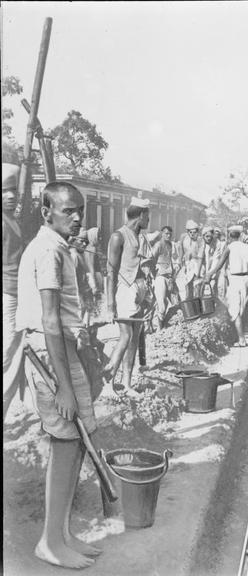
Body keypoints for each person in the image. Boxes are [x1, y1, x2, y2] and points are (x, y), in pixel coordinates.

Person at [16, 181, 101, 569]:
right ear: (47, 212)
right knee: (66, 441)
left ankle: (63, 534)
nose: (78, 216)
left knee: (78, 440)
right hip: (51, 355)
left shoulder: (61, 247)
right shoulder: (47, 249)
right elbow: (49, 321)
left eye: (79, 209)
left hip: (65, 349)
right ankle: (49, 542)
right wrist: (65, 387)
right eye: (69, 210)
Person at [105, 197, 153, 391]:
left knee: (134, 339)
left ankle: (127, 384)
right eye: (147, 216)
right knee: (125, 337)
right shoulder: (119, 236)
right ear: (141, 215)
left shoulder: (139, 237)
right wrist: (110, 306)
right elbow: (110, 272)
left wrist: (148, 295)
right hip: (124, 291)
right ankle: (108, 384)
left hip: (138, 290)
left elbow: (137, 267)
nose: (149, 221)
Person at [205, 225, 248, 347]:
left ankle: (241, 339)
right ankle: (239, 335)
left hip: (235, 279)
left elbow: (219, 264)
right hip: (245, 279)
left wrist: (209, 275)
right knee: (241, 308)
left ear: (229, 236)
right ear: (239, 236)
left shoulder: (229, 248)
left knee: (234, 310)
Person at [3, 163, 25, 420]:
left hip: (14, 289)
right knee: (8, 345)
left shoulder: (12, 221)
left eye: (12, 191)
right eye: (4, 191)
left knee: (14, 345)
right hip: (6, 291)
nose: (10, 196)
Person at [152, 225, 180, 329]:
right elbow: (151, 259)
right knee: (161, 305)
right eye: (166, 233)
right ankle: (159, 327)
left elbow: (176, 261)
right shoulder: (158, 245)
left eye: (170, 234)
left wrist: (174, 275)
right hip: (160, 277)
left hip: (170, 278)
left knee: (177, 303)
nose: (168, 235)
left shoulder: (172, 245)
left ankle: (166, 324)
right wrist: (155, 272)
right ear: (162, 233)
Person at [177, 219, 204, 300]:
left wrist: (198, 272)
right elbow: (181, 249)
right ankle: (189, 305)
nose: (192, 234)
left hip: (197, 264)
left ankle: (198, 305)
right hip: (187, 264)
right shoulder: (184, 237)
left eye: (194, 232)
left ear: (197, 232)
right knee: (187, 287)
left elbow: (200, 258)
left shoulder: (200, 241)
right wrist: (180, 260)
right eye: (190, 232)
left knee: (197, 286)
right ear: (187, 232)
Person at [201, 225, 222, 297]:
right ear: (203, 236)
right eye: (207, 236)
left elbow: (216, 260)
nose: (209, 238)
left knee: (212, 287)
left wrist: (209, 274)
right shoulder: (200, 242)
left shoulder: (217, 243)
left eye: (210, 236)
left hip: (213, 270)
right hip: (201, 268)